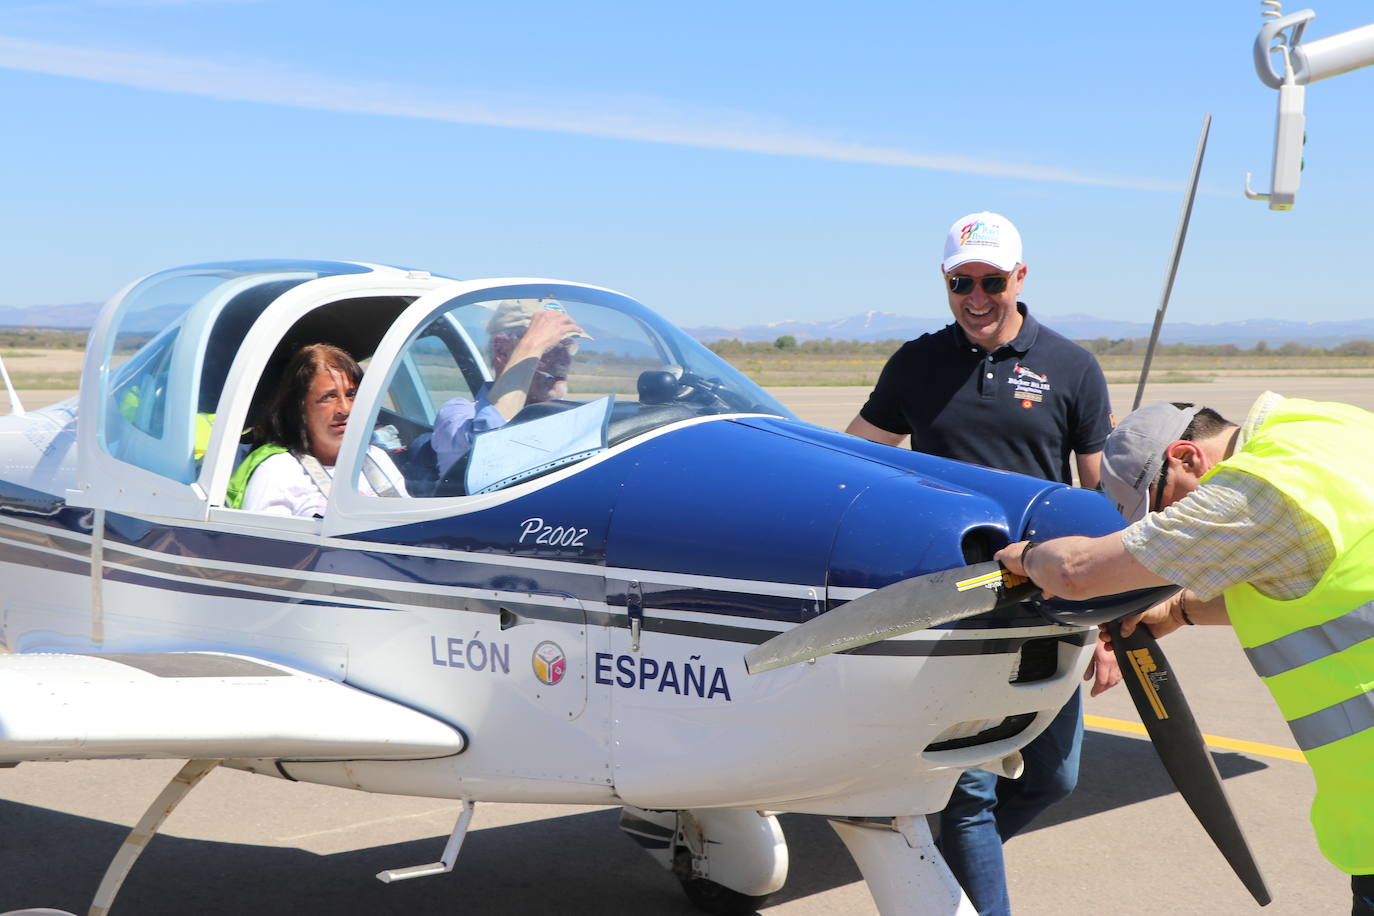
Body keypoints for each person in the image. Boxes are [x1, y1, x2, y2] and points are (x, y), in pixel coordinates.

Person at [995, 393, 1374, 915]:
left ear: (1186, 457)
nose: (1176, 530)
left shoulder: (1261, 488)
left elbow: (1075, 573)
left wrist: (1025, 557)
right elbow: (1306, 574)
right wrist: (1177, 611)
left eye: (1167, 509)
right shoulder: (1331, 429)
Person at [844, 210, 1116, 915]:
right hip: (955, 598)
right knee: (968, 795)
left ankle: (948, 867)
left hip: (1047, 597)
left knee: (1055, 776)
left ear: (1019, 278)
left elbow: (1102, 496)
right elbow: (854, 462)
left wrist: (1112, 617)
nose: (975, 296)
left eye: (991, 280)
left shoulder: (1071, 367)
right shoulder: (917, 363)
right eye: (960, 281)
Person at [226, 343, 407, 516]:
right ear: (299, 408)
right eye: (328, 397)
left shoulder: (376, 458)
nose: (345, 408)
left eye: (352, 395)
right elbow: (259, 547)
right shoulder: (277, 472)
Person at [429, 300, 585, 476]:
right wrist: (533, 344)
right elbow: (487, 458)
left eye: (568, 347)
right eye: (552, 348)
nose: (565, 361)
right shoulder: (459, 414)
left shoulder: (575, 418)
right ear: (502, 350)